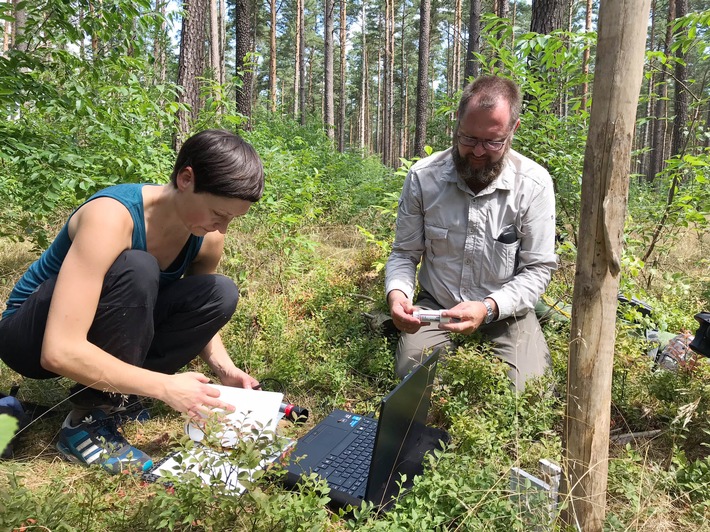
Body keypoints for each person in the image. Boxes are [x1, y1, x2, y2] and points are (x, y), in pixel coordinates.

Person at [0, 129, 264, 473]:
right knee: (138, 266)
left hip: (96, 325)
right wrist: (165, 387)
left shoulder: (206, 237)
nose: (222, 228)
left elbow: (201, 315)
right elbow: (58, 350)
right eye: (218, 213)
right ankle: (86, 425)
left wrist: (225, 370)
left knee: (218, 292)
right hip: (30, 335)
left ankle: (119, 398)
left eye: (231, 219)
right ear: (186, 178)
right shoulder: (112, 217)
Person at [385, 76, 557, 392]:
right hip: (437, 306)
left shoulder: (534, 184)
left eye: (492, 141)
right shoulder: (424, 177)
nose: (477, 151)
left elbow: (538, 270)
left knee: (531, 393)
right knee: (414, 385)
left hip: (506, 311)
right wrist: (397, 296)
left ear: (513, 130)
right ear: (457, 123)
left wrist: (488, 307)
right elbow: (404, 253)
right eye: (468, 138)